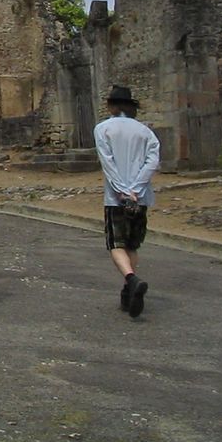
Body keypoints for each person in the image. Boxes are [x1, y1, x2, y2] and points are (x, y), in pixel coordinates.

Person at [94, 85, 161, 318]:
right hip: (140, 197)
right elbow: (152, 162)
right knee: (132, 244)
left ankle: (131, 280)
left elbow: (108, 162)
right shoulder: (146, 132)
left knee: (116, 244)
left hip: (116, 198)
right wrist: (136, 188)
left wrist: (122, 190)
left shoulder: (103, 129)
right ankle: (127, 291)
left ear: (111, 106)